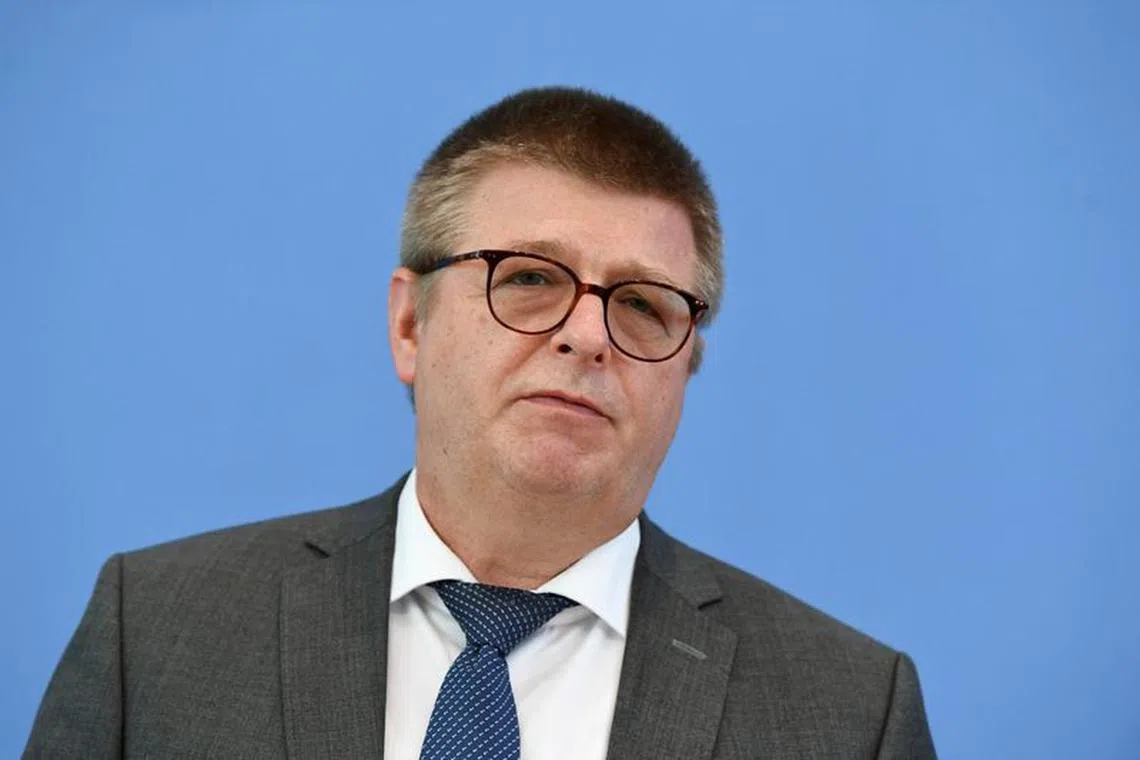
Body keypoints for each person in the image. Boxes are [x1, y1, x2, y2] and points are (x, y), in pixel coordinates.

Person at [25, 86, 937, 759]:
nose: (588, 336)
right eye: (530, 278)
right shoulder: (154, 634)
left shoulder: (852, 714)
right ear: (410, 324)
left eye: (644, 305)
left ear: (687, 368)